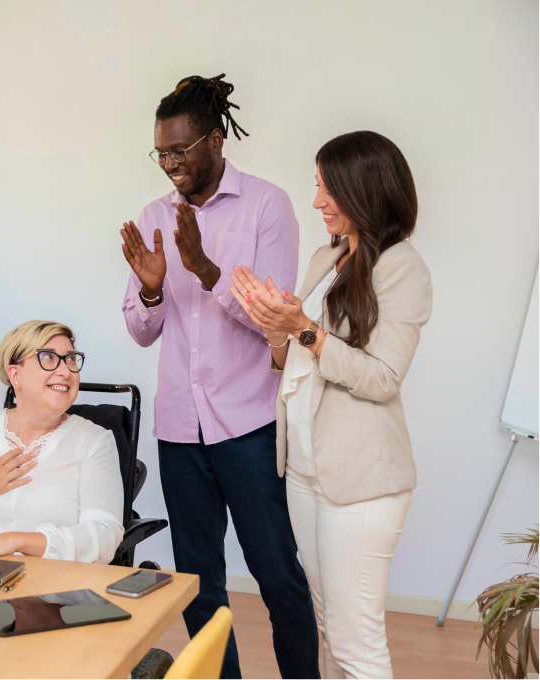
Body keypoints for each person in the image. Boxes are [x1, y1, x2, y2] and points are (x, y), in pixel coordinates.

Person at [119, 75, 319, 679]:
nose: (170, 164)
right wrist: (151, 291)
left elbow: (275, 325)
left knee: (278, 575)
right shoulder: (154, 215)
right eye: (161, 153)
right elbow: (140, 329)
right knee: (199, 585)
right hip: (180, 429)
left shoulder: (267, 205)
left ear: (215, 139)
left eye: (180, 151)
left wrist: (205, 269)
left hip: (249, 425)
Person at [229, 130, 431, 680]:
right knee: (328, 624)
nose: (316, 201)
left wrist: (305, 328)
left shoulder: (401, 268)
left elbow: (382, 378)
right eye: (315, 186)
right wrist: (275, 326)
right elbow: (290, 361)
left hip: (360, 478)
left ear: (364, 189)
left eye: (327, 189)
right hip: (304, 470)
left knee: (355, 640)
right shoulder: (328, 257)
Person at [0, 321, 123, 564]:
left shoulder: (94, 441)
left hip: (54, 587)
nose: (65, 371)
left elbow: (104, 537)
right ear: (15, 375)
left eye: (71, 359)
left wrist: (15, 541)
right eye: (49, 357)